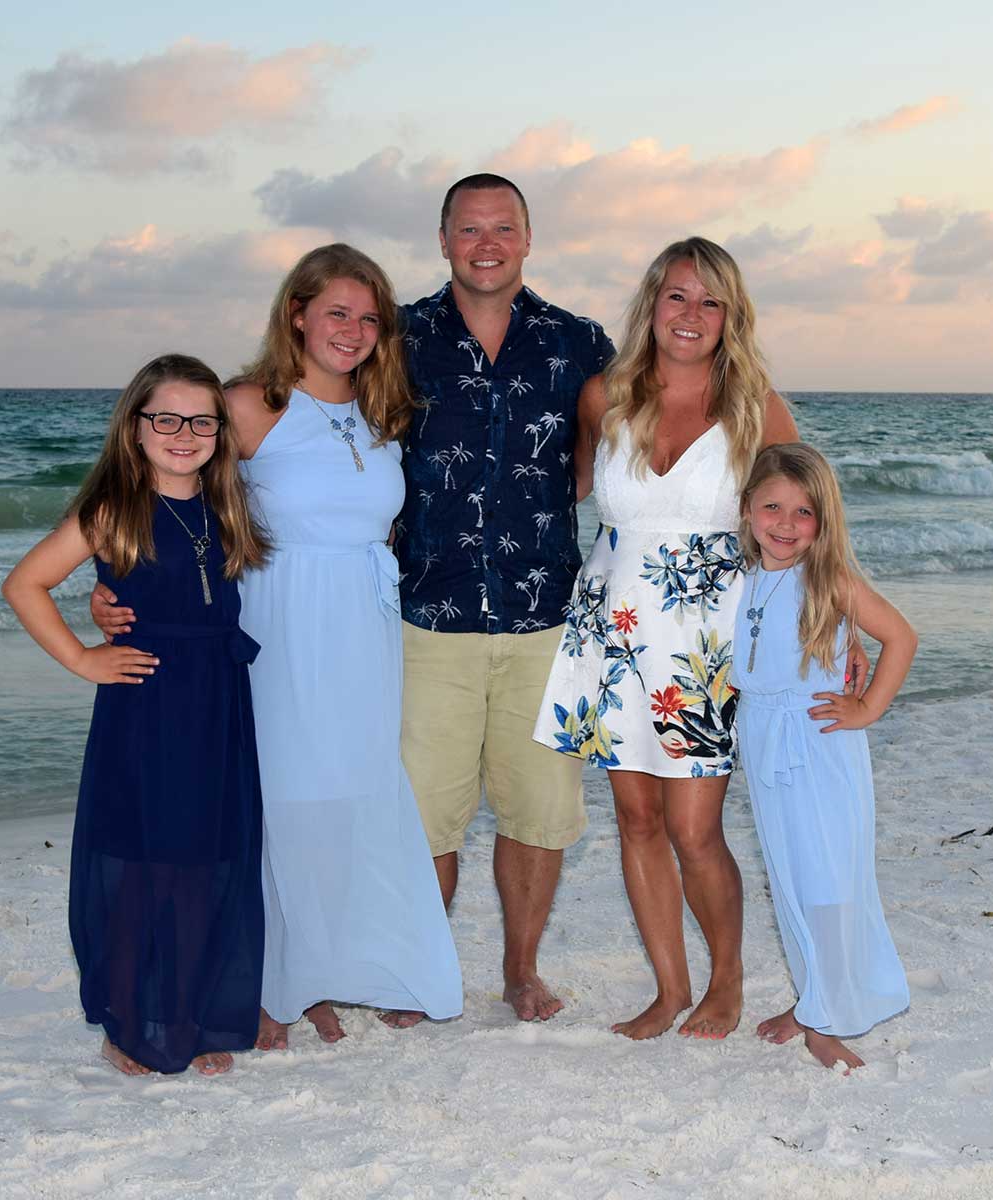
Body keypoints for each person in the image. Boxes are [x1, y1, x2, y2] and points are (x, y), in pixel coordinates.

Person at [94, 245, 464, 1048]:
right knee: (282, 799)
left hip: (365, 625)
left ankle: (317, 974)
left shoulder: (382, 412)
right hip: (283, 618)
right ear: (296, 312)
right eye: (338, 311)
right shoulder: (247, 406)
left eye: (370, 318)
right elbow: (159, 488)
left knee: (350, 795)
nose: (355, 331)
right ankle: (266, 987)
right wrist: (112, 582)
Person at [532, 236, 804, 1040]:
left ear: (731, 318)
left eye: (710, 301)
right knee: (638, 821)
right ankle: (668, 986)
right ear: (653, 302)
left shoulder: (757, 408)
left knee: (695, 828)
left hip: (704, 642)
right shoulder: (603, 396)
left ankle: (726, 982)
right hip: (614, 631)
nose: (691, 315)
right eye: (678, 296)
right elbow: (575, 487)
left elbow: (804, 524)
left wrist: (829, 626)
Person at [2, 353, 269, 1076]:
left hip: (217, 702)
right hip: (147, 705)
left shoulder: (229, 503)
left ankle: (196, 1015)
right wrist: (84, 658)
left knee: (207, 861)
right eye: (167, 419)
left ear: (221, 429)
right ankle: (128, 1022)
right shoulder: (112, 510)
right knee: (145, 866)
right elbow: (25, 583)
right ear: (136, 426)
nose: (184, 433)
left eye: (202, 420)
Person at [395, 173, 614, 1022]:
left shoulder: (578, 341)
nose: (486, 244)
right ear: (444, 239)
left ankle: (521, 969)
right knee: (424, 815)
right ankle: (419, 966)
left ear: (528, 238)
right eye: (469, 229)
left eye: (503, 228)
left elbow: (600, 454)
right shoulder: (400, 336)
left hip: (545, 618)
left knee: (539, 809)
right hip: (426, 614)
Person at [734, 442, 916, 1070]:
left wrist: (867, 710)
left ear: (824, 522)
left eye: (804, 512)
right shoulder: (743, 577)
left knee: (831, 880)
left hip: (820, 746)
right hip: (762, 742)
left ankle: (830, 1019)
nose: (786, 524)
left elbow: (901, 636)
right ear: (747, 509)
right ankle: (814, 996)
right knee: (789, 878)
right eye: (773, 507)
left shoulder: (828, 579)